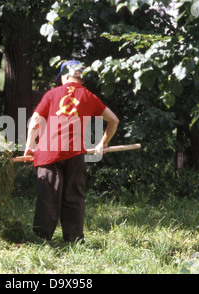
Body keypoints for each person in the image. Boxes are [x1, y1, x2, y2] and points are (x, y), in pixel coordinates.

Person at [24, 60, 119, 243]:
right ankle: (74, 240)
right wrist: (103, 143)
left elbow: (35, 119)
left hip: (48, 153)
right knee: (73, 197)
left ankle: (41, 240)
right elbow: (113, 120)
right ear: (80, 79)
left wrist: (30, 145)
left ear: (65, 77)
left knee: (48, 197)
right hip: (75, 154)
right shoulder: (89, 97)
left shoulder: (52, 94)